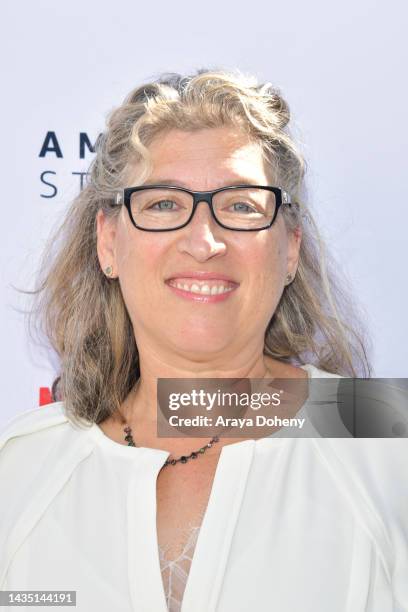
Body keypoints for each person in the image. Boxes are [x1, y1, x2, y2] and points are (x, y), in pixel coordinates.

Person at [0, 68, 406, 611]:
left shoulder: (388, 442)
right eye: (164, 203)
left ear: (289, 249)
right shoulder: (22, 466)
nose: (204, 240)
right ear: (108, 243)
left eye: (240, 205)